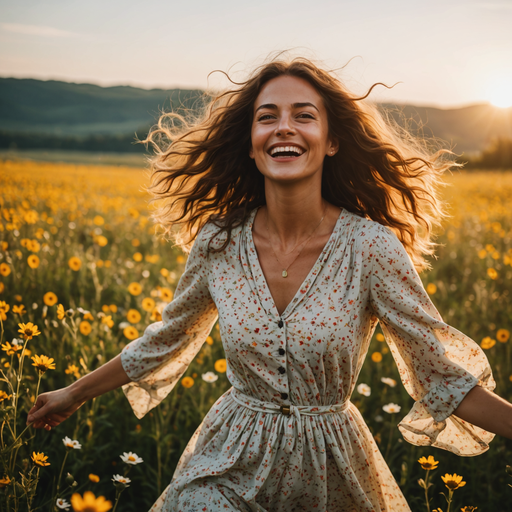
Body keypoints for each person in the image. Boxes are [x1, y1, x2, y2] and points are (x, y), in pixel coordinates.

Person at [27, 57, 512, 512]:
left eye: (303, 115)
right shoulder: (219, 242)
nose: (284, 126)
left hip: (330, 468)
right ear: (252, 140)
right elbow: (166, 339)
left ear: (331, 140)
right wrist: (74, 393)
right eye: (267, 117)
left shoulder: (370, 248)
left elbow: (439, 375)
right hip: (230, 456)